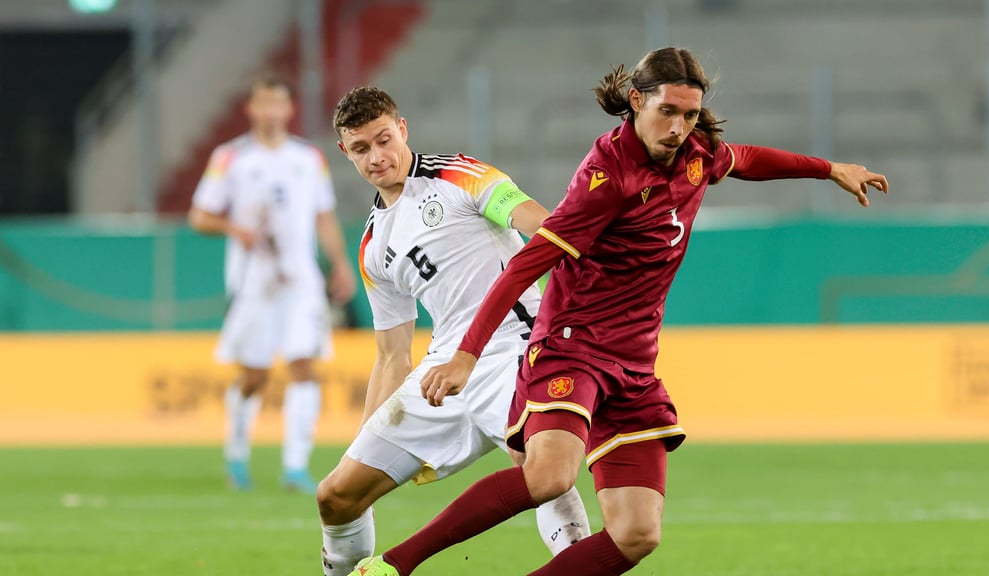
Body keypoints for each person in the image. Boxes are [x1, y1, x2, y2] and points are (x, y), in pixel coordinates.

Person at [349, 47, 890, 576]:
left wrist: (828, 169)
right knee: (548, 477)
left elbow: (743, 158)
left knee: (637, 534)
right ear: (636, 101)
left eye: (690, 114)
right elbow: (521, 268)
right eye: (667, 112)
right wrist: (466, 356)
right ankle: (394, 565)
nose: (679, 127)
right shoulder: (605, 178)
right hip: (570, 346)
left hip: (633, 366)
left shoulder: (695, 155)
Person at [316, 86, 591, 575]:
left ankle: (581, 566)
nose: (377, 158)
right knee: (337, 496)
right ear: (345, 152)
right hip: (443, 373)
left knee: (535, 463)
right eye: (361, 149)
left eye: (383, 140)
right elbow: (391, 355)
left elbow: (541, 226)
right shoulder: (373, 247)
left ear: (402, 129)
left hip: (516, 349)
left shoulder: (459, 174)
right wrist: (366, 441)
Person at [189, 73, 357, 494]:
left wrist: (339, 263)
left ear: (289, 109)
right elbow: (200, 216)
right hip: (253, 279)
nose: (270, 112)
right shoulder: (230, 157)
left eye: (277, 104)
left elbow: (323, 214)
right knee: (255, 375)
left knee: (305, 365)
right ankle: (237, 454)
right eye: (262, 103)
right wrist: (236, 228)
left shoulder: (308, 158)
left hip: (300, 277)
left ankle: (296, 467)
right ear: (251, 109)